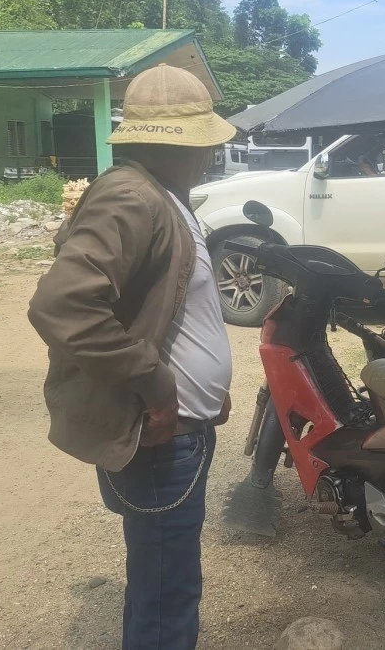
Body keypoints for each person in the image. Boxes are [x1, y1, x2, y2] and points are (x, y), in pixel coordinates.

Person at [27, 63, 237, 650]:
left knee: (164, 583)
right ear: (183, 144)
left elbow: (168, 306)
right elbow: (62, 306)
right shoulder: (131, 196)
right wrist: (158, 386)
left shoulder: (161, 196)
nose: (208, 157)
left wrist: (201, 384)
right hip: (159, 435)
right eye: (204, 145)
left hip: (178, 430)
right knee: (167, 594)